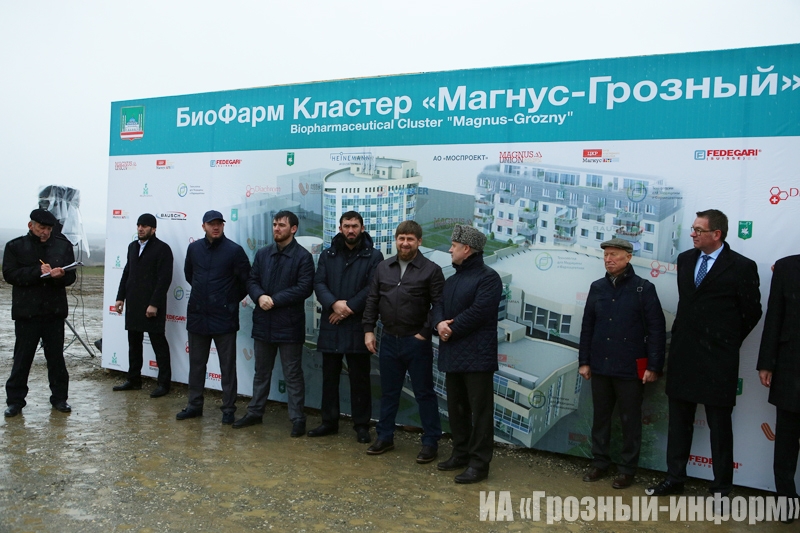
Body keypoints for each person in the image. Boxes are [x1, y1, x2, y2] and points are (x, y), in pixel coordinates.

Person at [647, 209, 762, 497]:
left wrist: (725, 341)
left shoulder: (741, 266)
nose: (693, 234)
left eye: (699, 230)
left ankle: (721, 488)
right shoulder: (686, 259)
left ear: (716, 234)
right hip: (684, 354)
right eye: (693, 229)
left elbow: (752, 312)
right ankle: (674, 479)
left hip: (718, 360)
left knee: (720, 427)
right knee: (679, 423)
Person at [578, 238, 666, 489]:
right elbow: (587, 326)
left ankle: (627, 469)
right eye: (606, 255)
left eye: (614, 254)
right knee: (601, 417)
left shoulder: (643, 288)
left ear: (628, 257)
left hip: (630, 368)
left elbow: (657, 329)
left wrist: (654, 366)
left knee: (630, 420)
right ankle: (599, 462)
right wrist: (584, 361)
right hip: (601, 365)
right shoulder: (597, 287)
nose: (608, 259)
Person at [363, 220, 444, 463]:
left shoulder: (431, 270)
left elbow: (439, 305)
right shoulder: (383, 267)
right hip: (388, 339)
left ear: (419, 241)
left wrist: (424, 332)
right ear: (396, 240)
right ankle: (385, 437)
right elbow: (372, 300)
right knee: (389, 393)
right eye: (401, 238)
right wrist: (368, 330)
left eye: (410, 239)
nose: (405, 243)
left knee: (424, 393)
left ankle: (430, 442)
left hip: (416, 342)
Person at [432, 225, 502, 483]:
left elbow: (480, 311)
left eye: (454, 246)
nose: (450, 250)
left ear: (467, 249)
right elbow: (438, 306)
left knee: (480, 413)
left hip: (478, 357)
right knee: (457, 409)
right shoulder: (452, 280)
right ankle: (460, 454)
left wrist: (451, 329)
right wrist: (439, 324)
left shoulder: (489, 278)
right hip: (453, 354)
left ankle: (479, 464)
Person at [233, 210, 314, 437]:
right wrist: (259, 297)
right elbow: (252, 280)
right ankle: (255, 412)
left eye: (282, 225)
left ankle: (297, 419)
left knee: (292, 374)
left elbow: (304, 288)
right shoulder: (263, 254)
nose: (276, 229)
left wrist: (274, 300)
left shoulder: (303, 257)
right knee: (261, 372)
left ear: (293, 229)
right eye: (275, 224)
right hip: (263, 323)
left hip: (289, 325)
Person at [309, 211, 383, 443]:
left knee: (360, 379)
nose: (351, 230)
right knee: (329, 378)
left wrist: (347, 308)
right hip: (331, 324)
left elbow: (372, 288)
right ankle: (329, 422)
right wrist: (334, 304)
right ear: (340, 228)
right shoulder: (328, 254)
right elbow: (319, 283)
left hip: (357, 325)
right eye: (347, 226)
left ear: (362, 228)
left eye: (355, 226)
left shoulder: (374, 256)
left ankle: (361, 425)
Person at [177, 210, 250, 424]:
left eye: (219, 223)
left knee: (227, 367)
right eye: (211, 224)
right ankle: (194, 405)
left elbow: (246, 281)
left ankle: (228, 409)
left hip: (224, 318)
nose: (215, 227)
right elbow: (190, 275)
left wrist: (228, 300)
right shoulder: (194, 249)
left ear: (223, 226)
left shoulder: (234, 251)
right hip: (198, 316)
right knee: (197, 364)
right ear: (204, 227)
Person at [4, 208, 76, 417]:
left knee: (56, 359)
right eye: (41, 228)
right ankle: (15, 402)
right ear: (31, 225)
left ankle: (60, 398)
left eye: (48, 229)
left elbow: (71, 277)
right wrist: (37, 272)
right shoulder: (15, 246)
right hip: (27, 313)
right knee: (22, 359)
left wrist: (60, 275)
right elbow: (9, 274)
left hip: (54, 312)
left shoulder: (63, 246)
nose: (45, 232)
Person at [113, 213, 174, 397]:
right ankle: (134, 380)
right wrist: (120, 297)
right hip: (133, 303)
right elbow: (127, 272)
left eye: (145, 226)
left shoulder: (162, 249)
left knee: (158, 344)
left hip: (152, 306)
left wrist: (154, 304)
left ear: (153, 229)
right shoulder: (132, 247)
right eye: (139, 225)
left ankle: (164, 384)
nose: (140, 228)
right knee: (134, 344)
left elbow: (164, 279)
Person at [757, 253, 800, 514]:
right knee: (786, 440)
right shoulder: (787, 267)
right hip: (791, 366)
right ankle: (786, 502)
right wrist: (766, 363)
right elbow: (774, 316)